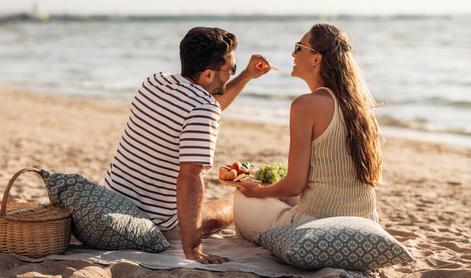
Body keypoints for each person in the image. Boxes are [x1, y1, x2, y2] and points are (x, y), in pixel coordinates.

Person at [104, 27, 271, 263]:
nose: (232, 74)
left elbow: (202, 103)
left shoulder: (154, 82)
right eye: (231, 69)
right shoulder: (204, 109)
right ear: (208, 75)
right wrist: (193, 248)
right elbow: (190, 178)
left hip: (114, 200)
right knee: (232, 206)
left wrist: (246, 75)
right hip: (157, 222)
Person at [235, 23, 383, 242]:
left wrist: (254, 191)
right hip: (366, 222)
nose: (292, 53)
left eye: (298, 47)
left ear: (316, 58)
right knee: (277, 195)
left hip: (315, 224)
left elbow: (294, 186)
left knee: (241, 197)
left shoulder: (305, 106)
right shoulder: (361, 107)